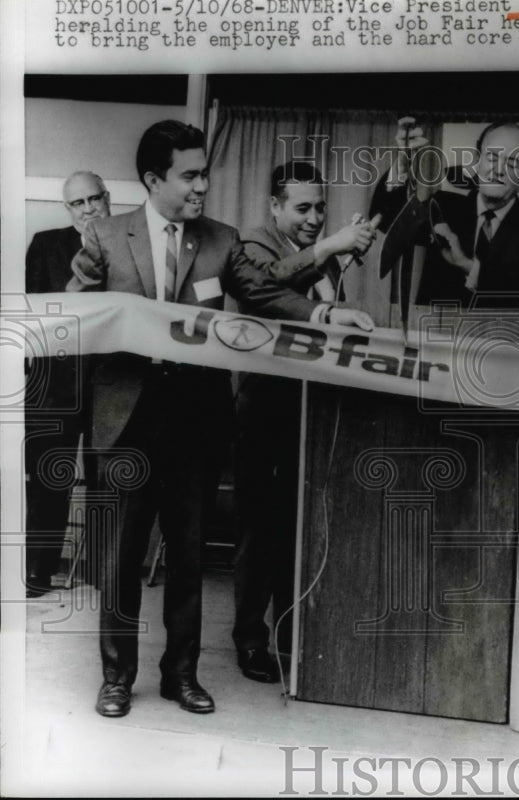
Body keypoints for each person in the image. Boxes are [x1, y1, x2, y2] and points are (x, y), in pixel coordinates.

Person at [67, 120, 373, 719]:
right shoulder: (105, 236)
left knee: (187, 559)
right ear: (155, 179)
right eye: (190, 174)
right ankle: (116, 677)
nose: (203, 184)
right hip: (125, 422)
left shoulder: (220, 239)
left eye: (205, 172)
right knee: (121, 560)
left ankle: (182, 674)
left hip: (194, 425)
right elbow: (74, 312)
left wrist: (323, 313)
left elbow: (263, 293)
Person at [232, 161, 378, 683]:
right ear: (274, 207)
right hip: (266, 406)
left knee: (299, 524)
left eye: (320, 208)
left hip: (311, 406)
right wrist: (331, 247)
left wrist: (340, 253)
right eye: (302, 208)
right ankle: (250, 638)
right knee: (259, 530)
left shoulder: (320, 248)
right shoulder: (252, 243)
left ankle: (293, 636)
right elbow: (269, 286)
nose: (315, 218)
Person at [370, 120, 519, 314]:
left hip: (501, 341)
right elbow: (389, 221)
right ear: (477, 160)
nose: (498, 170)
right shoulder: (442, 207)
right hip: (437, 337)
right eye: (492, 157)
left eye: (513, 163)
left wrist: (467, 266)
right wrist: (402, 167)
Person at [23, 171, 110, 596]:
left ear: (106, 198)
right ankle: (38, 571)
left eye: (95, 198)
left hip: (110, 383)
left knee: (107, 479)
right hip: (53, 385)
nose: (89, 208)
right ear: (68, 208)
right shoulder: (44, 245)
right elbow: (32, 316)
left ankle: (100, 569)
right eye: (78, 202)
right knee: (47, 480)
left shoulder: (130, 244)